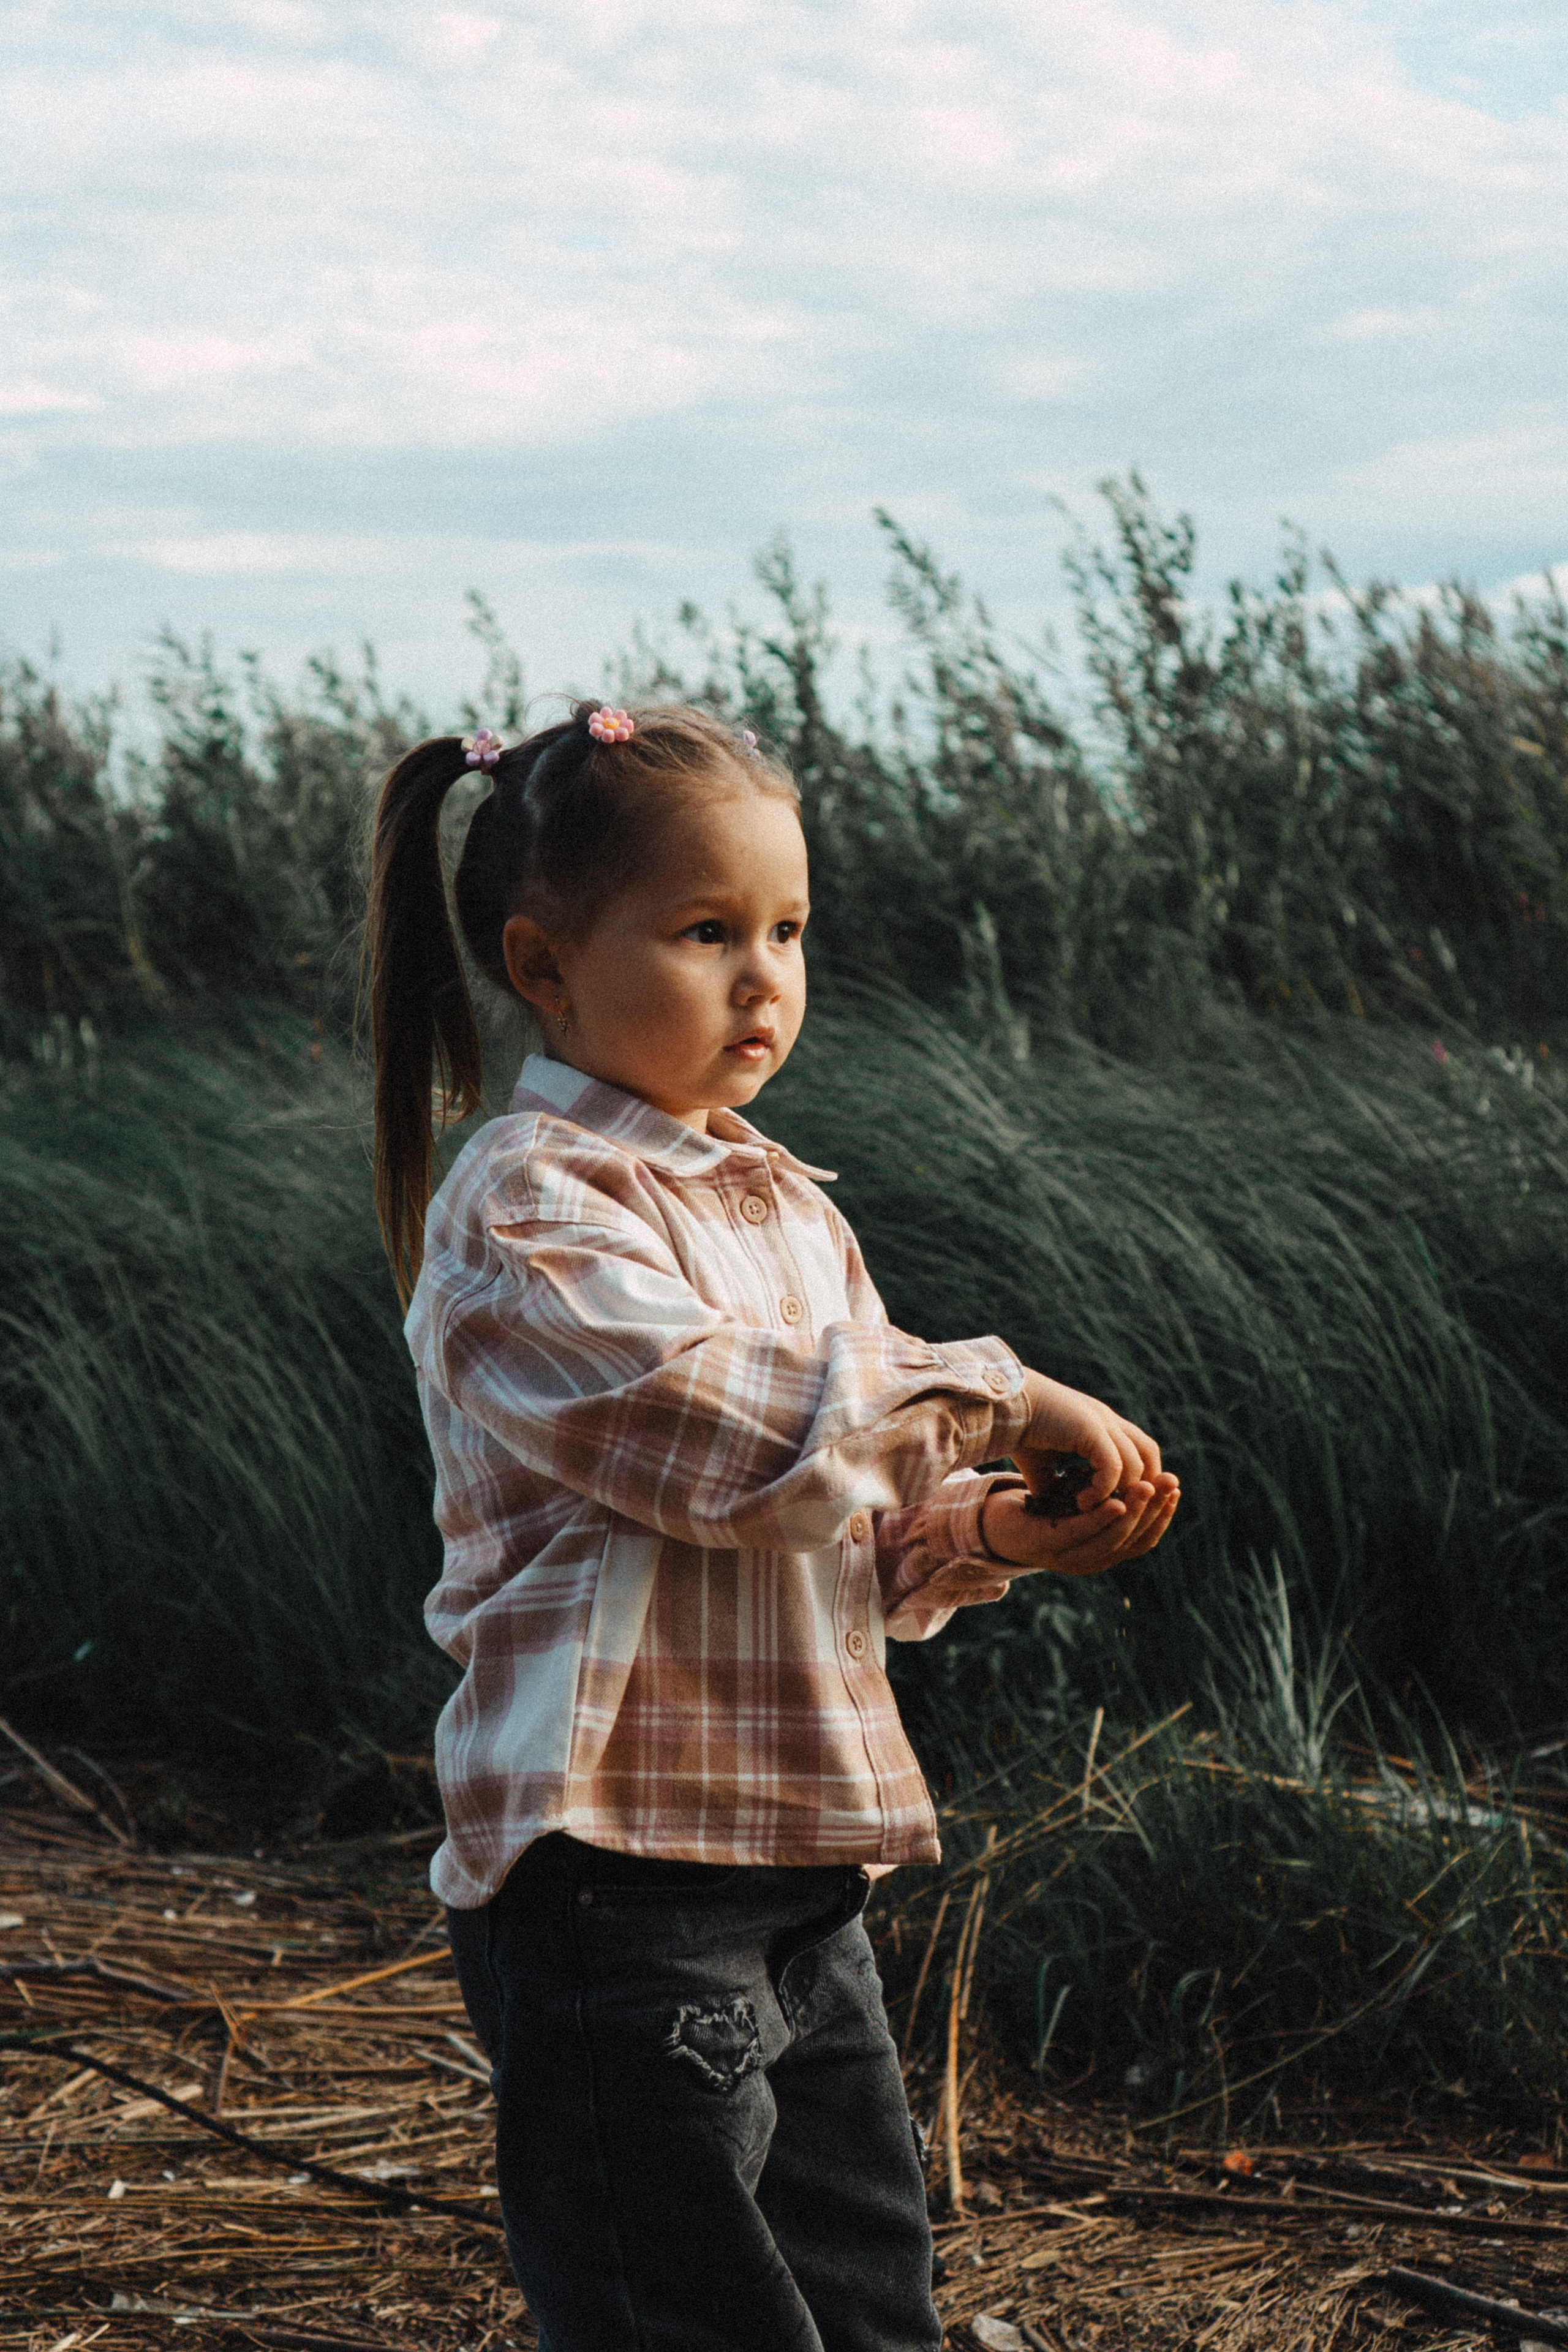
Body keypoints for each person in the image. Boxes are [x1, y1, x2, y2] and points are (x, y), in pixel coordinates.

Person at [366, 701, 1180, 2352]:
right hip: (614, 1881)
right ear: (544, 966)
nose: (765, 978)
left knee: (866, 2299)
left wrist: (999, 1532)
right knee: (687, 2316)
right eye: (706, 930)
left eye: (790, 931)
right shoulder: (528, 1202)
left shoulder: (789, 1210)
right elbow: (714, 1437)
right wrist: (1003, 1394)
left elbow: (846, 1530)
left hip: (801, 1860)